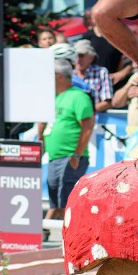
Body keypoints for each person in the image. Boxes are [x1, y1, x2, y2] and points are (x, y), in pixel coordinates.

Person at [40, 59, 95, 220]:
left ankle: (69, 236)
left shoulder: (78, 96)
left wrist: (77, 154)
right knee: (56, 198)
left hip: (71, 156)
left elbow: (87, 126)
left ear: (60, 77)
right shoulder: (55, 98)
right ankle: (48, 229)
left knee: (67, 200)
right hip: (54, 156)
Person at [82, 11, 132, 90]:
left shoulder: (118, 36)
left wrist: (121, 73)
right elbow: (79, 60)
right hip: (92, 83)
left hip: (113, 84)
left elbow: (133, 60)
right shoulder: (87, 37)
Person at [73, 39, 113, 113]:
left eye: (81, 56)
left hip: (95, 120)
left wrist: (86, 111)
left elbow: (107, 102)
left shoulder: (101, 72)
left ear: (91, 58)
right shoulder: (70, 74)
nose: (78, 59)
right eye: (76, 56)